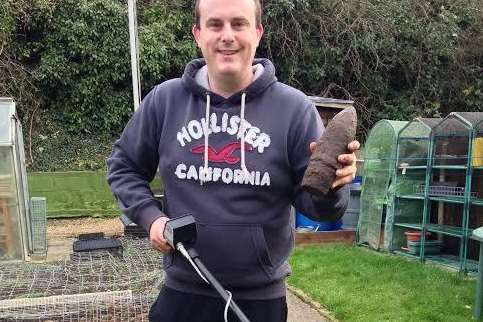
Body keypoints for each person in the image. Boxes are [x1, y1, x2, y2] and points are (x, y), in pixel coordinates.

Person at [107, 0, 359, 321]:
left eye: (239, 24)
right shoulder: (165, 101)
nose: (227, 35)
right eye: (215, 25)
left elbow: (315, 206)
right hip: (183, 292)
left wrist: (334, 186)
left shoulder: (294, 110)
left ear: (257, 32)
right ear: (198, 34)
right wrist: (150, 217)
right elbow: (123, 166)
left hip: (259, 299)